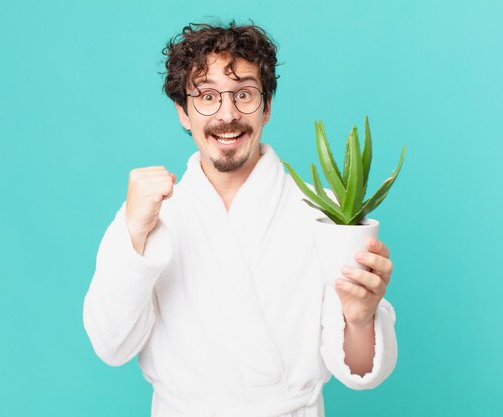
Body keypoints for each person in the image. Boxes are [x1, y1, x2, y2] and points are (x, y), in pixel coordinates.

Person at [83, 21, 397, 417]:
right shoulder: (151, 214)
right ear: (183, 111)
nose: (227, 115)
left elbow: (357, 370)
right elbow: (111, 345)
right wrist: (134, 232)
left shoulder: (327, 215)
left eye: (244, 94)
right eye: (207, 96)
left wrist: (360, 316)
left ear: (266, 108)